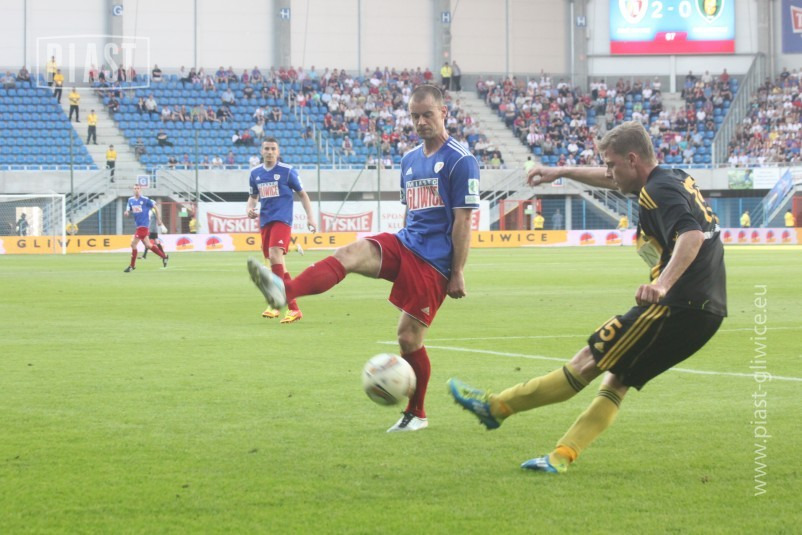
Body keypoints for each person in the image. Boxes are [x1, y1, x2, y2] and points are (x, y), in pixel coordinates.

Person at [448, 121, 726, 474]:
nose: (608, 173)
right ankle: (560, 457)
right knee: (618, 379)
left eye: (611, 164)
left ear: (632, 159)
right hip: (705, 310)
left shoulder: (658, 191)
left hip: (677, 305)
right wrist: (562, 171)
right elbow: (615, 181)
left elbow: (692, 236)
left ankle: (496, 407)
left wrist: (663, 285)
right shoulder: (672, 177)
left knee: (587, 361)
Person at [247, 85, 481, 432]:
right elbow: (411, 211)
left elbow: (463, 221)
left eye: (427, 115)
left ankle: (417, 413)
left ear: (443, 112)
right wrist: (401, 241)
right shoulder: (409, 159)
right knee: (349, 253)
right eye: (415, 116)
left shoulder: (461, 160)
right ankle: (286, 292)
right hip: (406, 243)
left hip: (434, 262)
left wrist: (457, 271)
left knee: (408, 339)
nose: (420, 122)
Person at [245, 138, 316, 323]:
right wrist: (249, 208)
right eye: (266, 149)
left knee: (274, 255)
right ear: (262, 151)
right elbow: (253, 197)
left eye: (273, 149)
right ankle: (294, 309)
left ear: (278, 152)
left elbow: (303, 195)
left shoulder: (287, 171)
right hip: (265, 221)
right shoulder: (255, 174)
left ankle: (276, 303)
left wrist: (310, 217)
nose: (269, 152)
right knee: (278, 265)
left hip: (282, 220)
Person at [123, 184, 169, 272]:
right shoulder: (130, 200)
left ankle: (132, 266)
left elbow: (156, 207)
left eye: (138, 188)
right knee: (148, 245)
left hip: (143, 226)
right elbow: (128, 208)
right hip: (138, 226)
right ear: (133, 190)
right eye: (135, 188)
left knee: (133, 244)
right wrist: (127, 212)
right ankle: (164, 257)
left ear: (140, 190)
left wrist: (159, 219)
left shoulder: (145, 200)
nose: (136, 190)